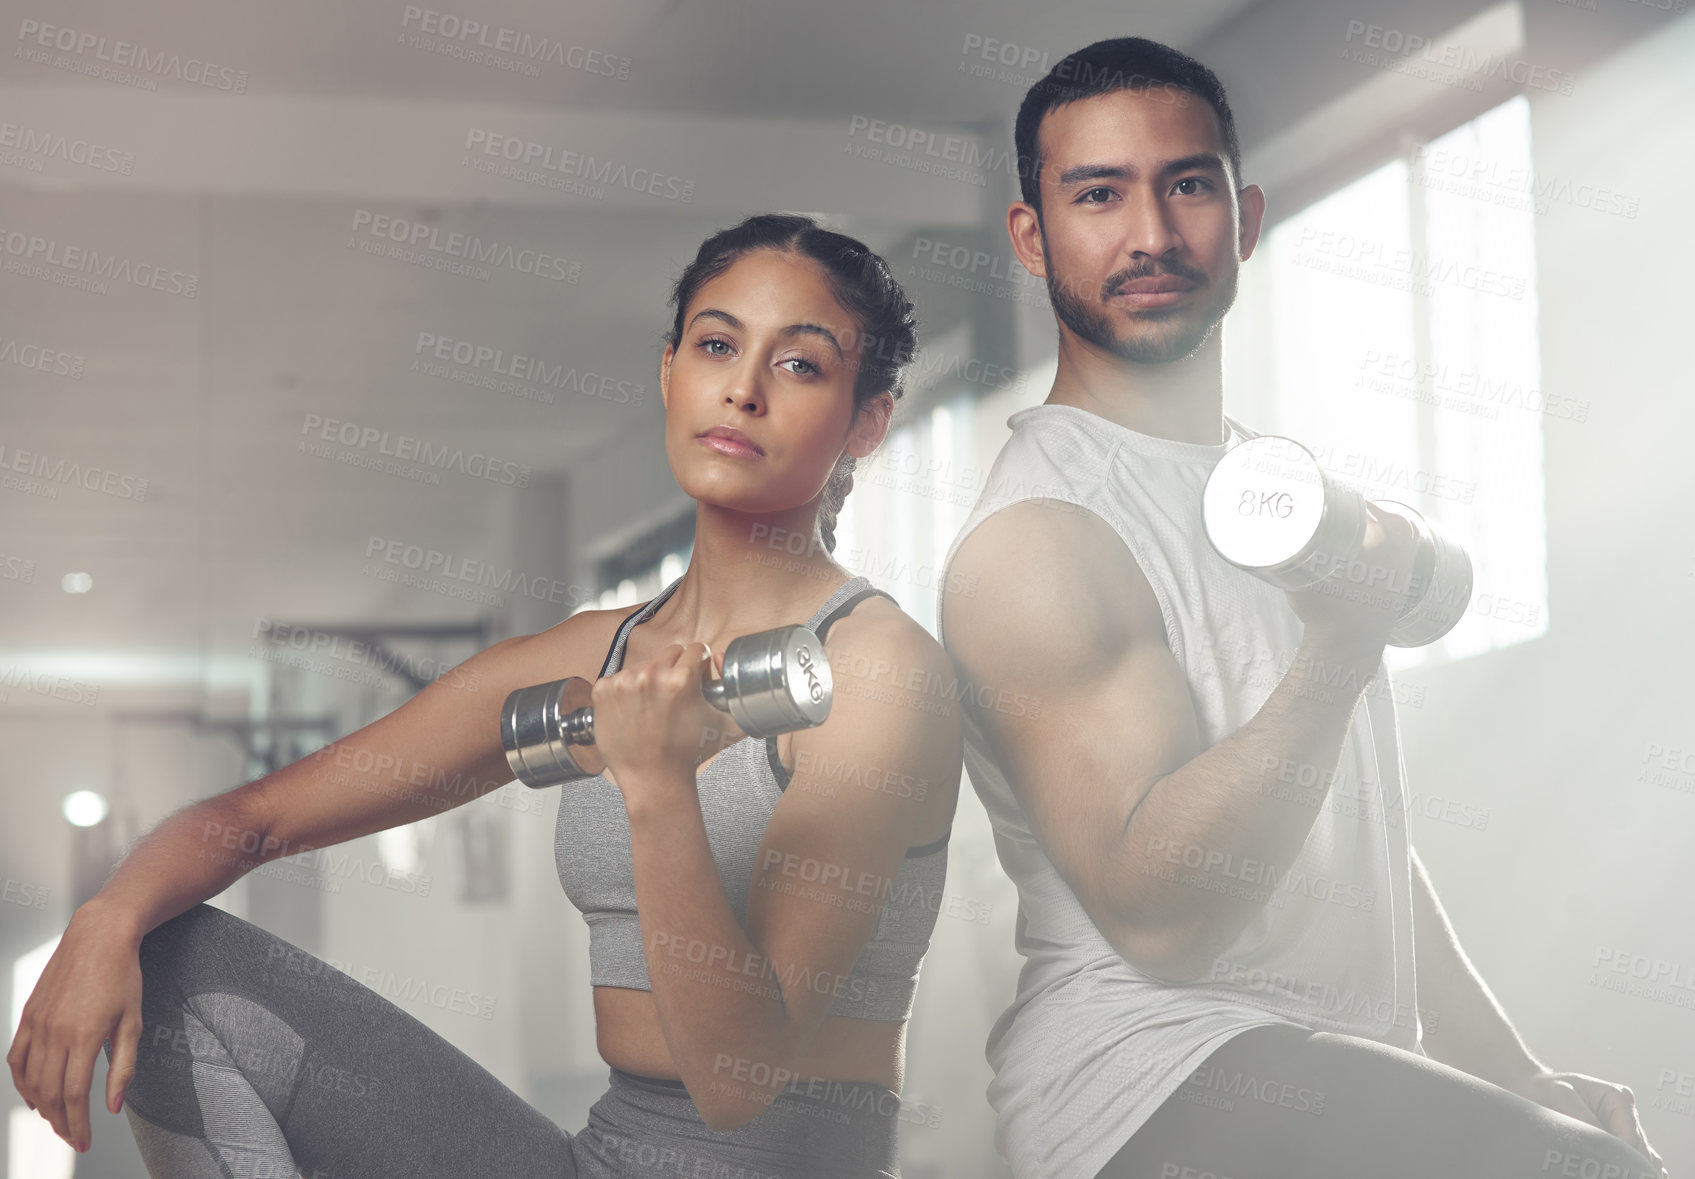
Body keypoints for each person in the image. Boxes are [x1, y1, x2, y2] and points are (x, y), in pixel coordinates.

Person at [8, 212, 963, 1179]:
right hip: (596, 1159)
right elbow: (253, 819)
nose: (743, 390)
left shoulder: (878, 674)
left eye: (800, 366)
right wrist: (106, 916)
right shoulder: (595, 652)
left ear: (868, 419)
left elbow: (736, 1080)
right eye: (717, 344)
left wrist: (658, 785)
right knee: (177, 963)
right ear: (669, 370)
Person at [935, 37, 1668, 1179]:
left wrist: (1513, 1072)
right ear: (1031, 237)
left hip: (1307, 1060)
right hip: (1147, 1089)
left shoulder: (1266, 493)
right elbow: (1159, 914)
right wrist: (1338, 645)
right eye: (1097, 195)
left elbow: (1352, 843)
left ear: (1246, 213)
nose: (1150, 235)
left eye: (1186, 185)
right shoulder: (1041, 537)